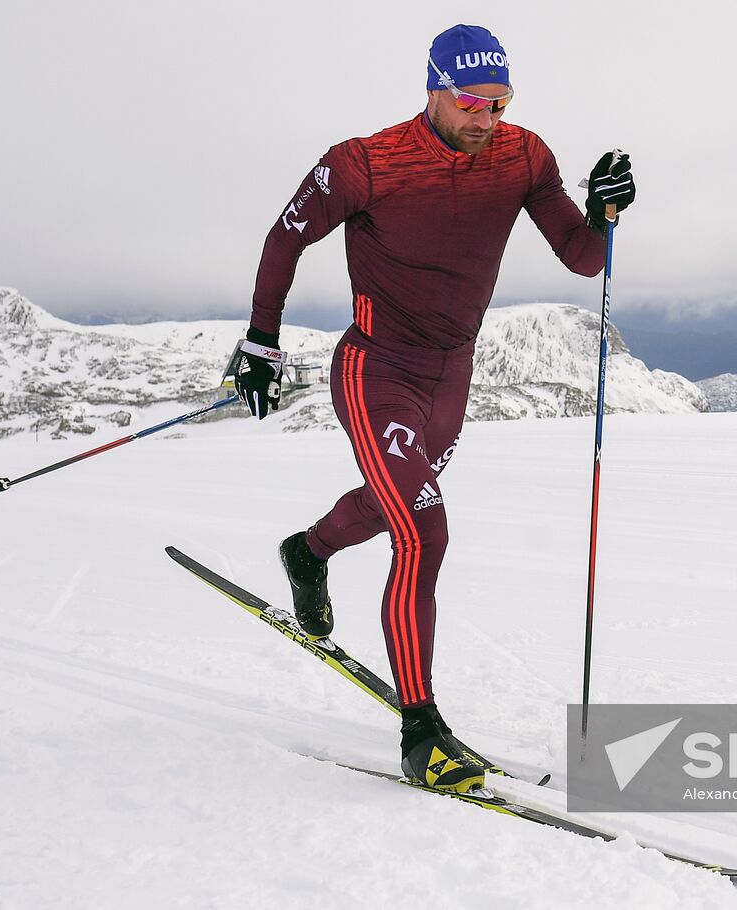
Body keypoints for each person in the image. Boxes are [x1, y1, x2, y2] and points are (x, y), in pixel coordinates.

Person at [225, 24, 636, 794]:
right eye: (475, 102)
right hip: (376, 368)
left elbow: (582, 258)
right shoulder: (366, 162)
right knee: (424, 523)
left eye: (501, 103)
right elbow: (285, 238)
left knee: (396, 505)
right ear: (436, 89)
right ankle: (422, 731)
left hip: (452, 377)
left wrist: (604, 212)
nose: (488, 119)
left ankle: (308, 551)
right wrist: (261, 340)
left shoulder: (523, 157)